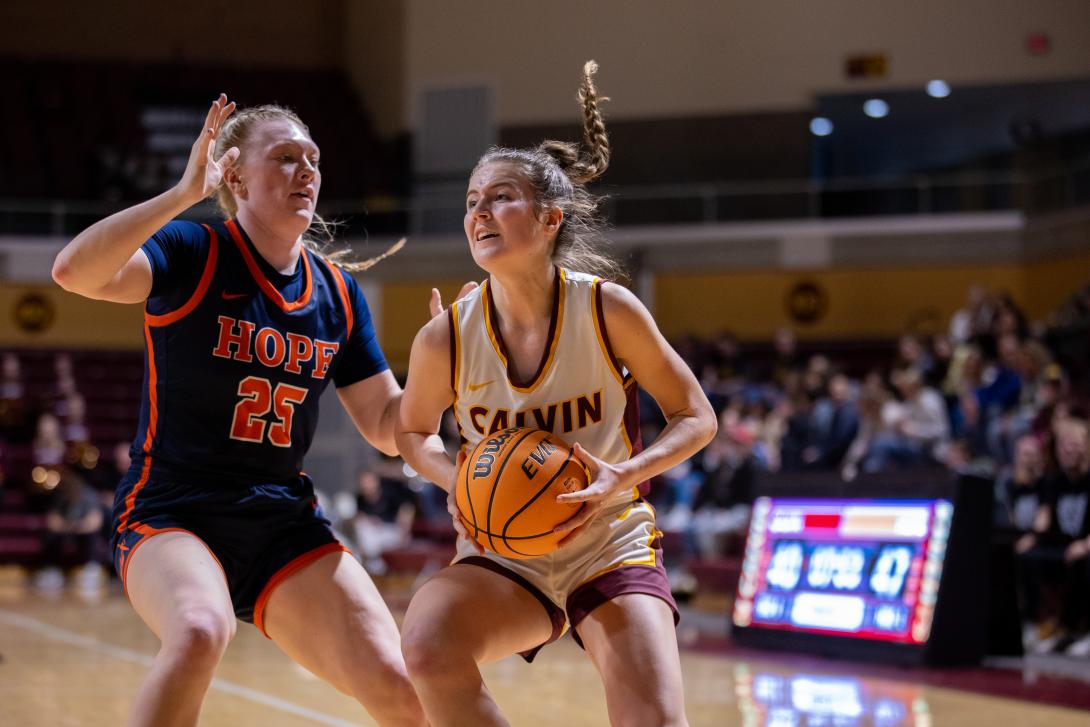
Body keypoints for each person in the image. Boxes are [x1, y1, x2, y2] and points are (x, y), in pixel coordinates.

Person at [52, 95, 425, 727]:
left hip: (282, 521)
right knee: (200, 628)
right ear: (233, 176)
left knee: (401, 687)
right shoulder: (194, 251)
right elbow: (73, 273)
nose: (306, 171)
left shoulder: (336, 291)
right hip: (172, 508)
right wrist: (179, 195)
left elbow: (389, 427)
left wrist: (441, 373)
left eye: (312, 159)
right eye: (284, 158)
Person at [395, 62, 718, 726]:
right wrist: (453, 477)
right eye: (471, 200)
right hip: (503, 550)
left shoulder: (609, 310)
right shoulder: (444, 338)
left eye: (500, 197)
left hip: (606, 539)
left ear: (548, 219)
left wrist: (625, 472)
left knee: (654, 720)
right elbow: (412, 432)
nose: (478, 211)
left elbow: (696, 414)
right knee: (426, 645)